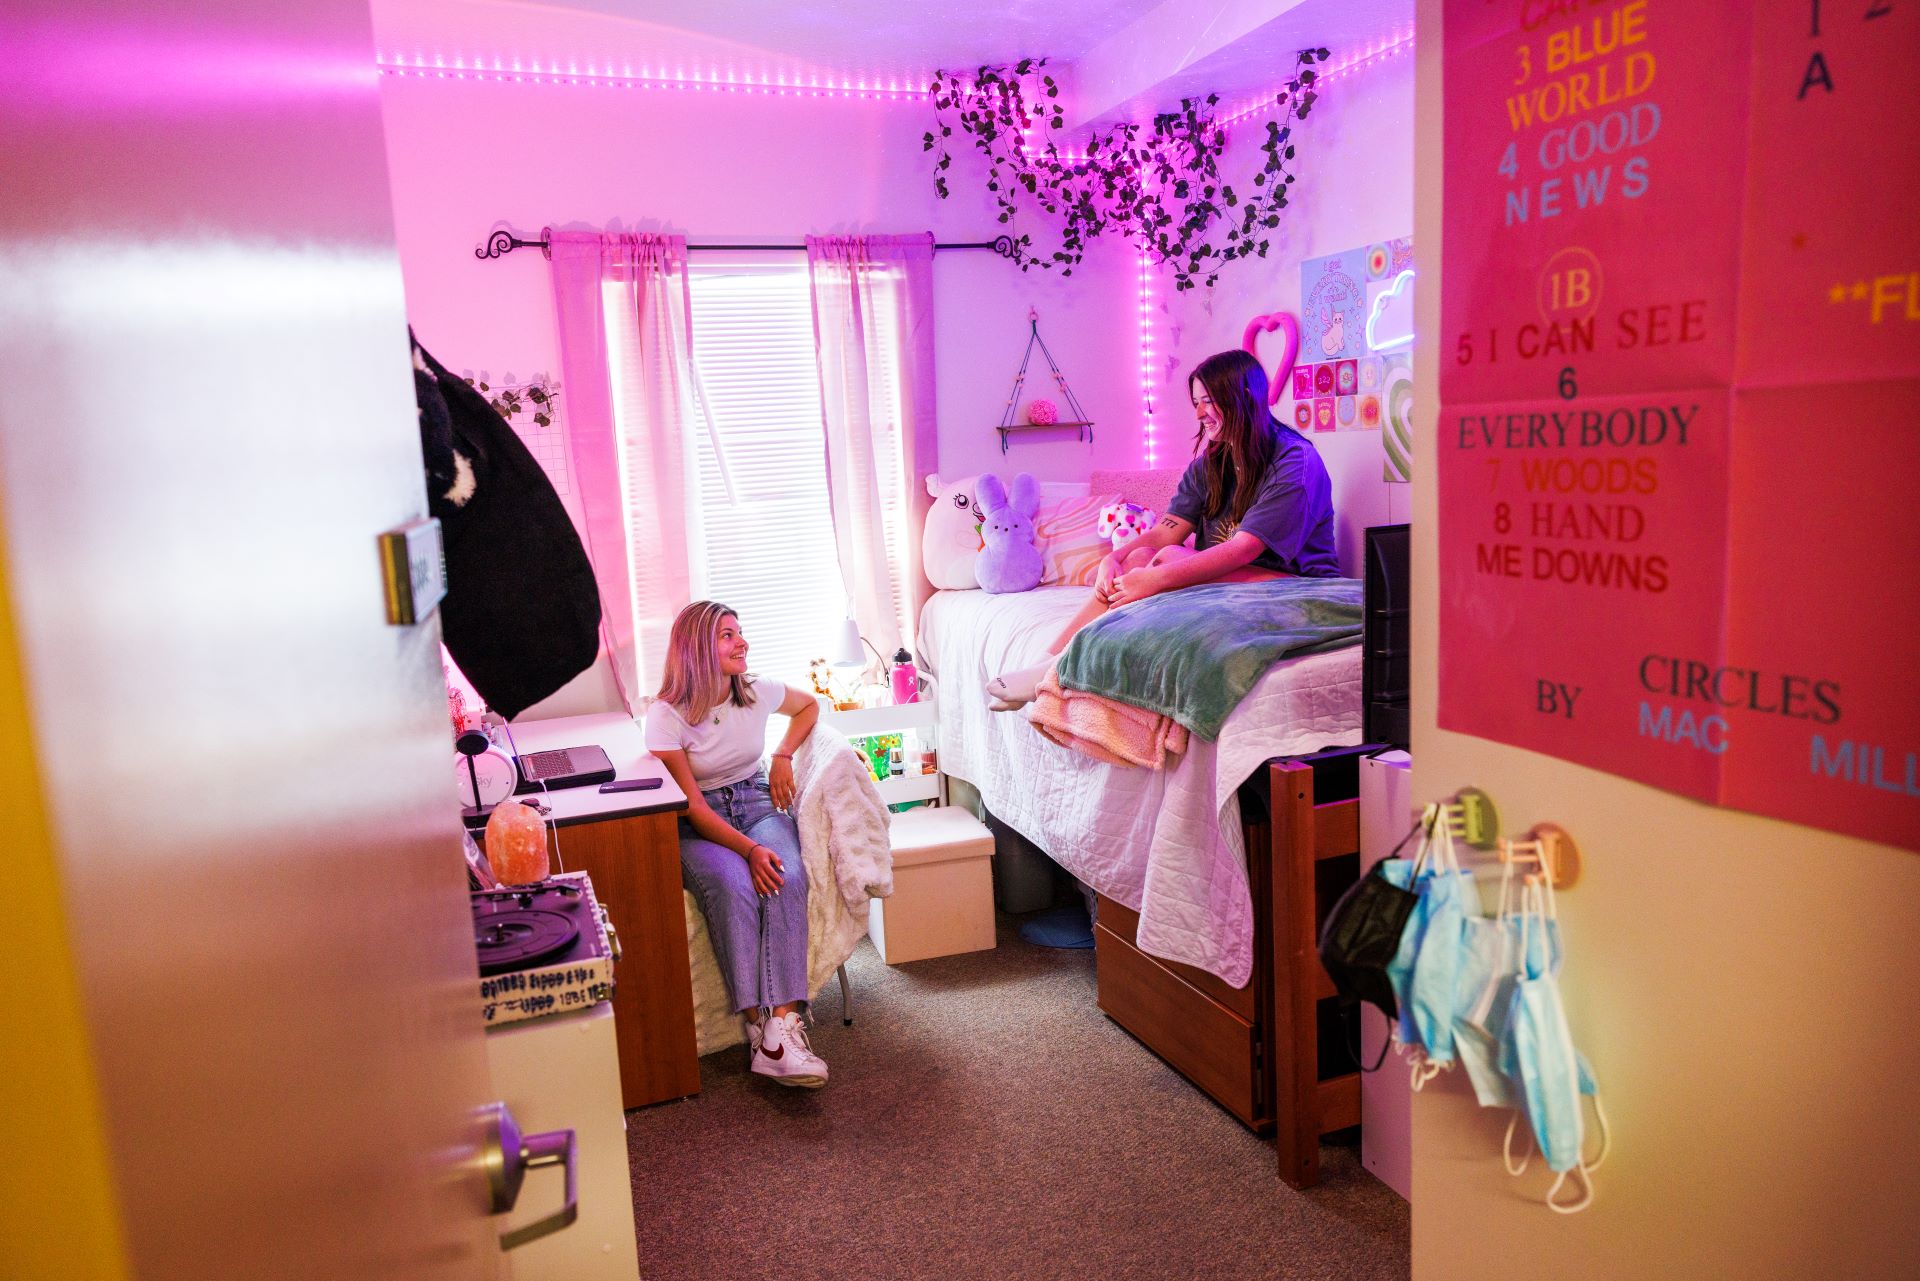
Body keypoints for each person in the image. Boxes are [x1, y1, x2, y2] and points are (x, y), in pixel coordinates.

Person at [988, 348, 1339, 710]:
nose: (1199, 413)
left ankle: (1053, 668)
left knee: (1167, 559)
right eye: (1196, 402)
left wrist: (1157, 579)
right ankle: (1050, 660)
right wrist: (1116, 558)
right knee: (1141, 555)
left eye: (1209, 401)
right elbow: (1165, 532)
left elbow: (1242, 549)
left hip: (1294, 585)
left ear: (1243, 398)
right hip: (1235, 577)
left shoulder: (1294, 461)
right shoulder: (1211, 464)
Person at [644, 600, 828, 1087]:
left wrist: (784, 753)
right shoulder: (666, 716)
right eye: (728, 635)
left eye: (740, 632)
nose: (742, 641)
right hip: (697, 821)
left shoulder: (755, 691)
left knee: (784, 875)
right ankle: (759, 1031)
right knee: (734, 886)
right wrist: (748, 852)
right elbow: (694, 809)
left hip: (755, 802)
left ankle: (783, 1030)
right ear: (697, 646)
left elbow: (810, 704)